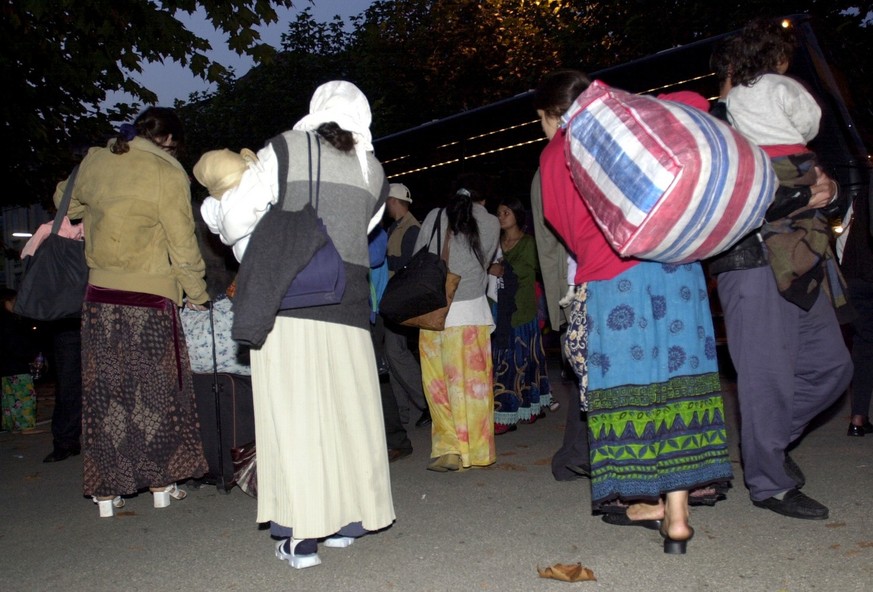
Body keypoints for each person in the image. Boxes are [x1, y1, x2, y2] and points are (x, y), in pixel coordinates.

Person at [535, 69, 733, 554]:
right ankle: (679, 515)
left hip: (614, 283)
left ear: (551, 115)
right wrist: (630, 105)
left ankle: (649, 498)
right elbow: (695, 101)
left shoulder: (556, 150)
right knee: (680, 387)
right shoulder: (634, 129)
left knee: (632, 392)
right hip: (678, 273)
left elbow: (561, 223)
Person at [200, 80, 395, 569]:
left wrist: (213, 211)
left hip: (291, 298)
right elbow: (361, 231)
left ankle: (302, 537)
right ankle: (350, 521)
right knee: (347, 413)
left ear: (317, 109)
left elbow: (238, 218)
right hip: (349, 303)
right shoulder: (374, 170)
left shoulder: (286, 148)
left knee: (296, 415)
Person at [708, 32, 853, 520]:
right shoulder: (714, 124)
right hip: (749, 265)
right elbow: (715, 204)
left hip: (803, 260)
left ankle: (764, 444)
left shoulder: (775, 123)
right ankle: (769, 482)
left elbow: (817, 185)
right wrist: (796, 198)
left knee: (833, 366)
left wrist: (828, 191)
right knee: (766, 379)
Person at [54, 107, 210, 518]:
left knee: (107, 395)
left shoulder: (98, 158)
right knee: (155, 391)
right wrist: (196, 292)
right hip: (150, 296)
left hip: (100, 296)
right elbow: (182, 240)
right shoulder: (168, 171)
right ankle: (161, 481)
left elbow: (63, 203)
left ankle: (106, 490)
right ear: (170, 140)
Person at [415, 182, 499, 472]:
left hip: (436, 312)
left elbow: (419, 256)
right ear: (480, 198)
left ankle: (448, 449)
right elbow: (484, 263)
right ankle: (475, 452)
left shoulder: (435, 216)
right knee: (474, 389)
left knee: (439, 387)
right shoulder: (490, 221)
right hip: (472, 312)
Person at [725, 18, 821, 194]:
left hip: (759, 164)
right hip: (794, 159)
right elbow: (809, 120)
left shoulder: (734, 94)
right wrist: (800, 137)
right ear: (780, 57)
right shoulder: (784, 85)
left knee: (773, 201)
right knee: (806, 200)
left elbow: (736, 130)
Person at [488, 196, 554, 433]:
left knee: (524, 362)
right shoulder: (493, 242)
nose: (501, 216)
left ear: (517, 214)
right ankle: (504, 412)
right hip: (498, 309)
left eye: (506, 211)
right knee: (504, 362)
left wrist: (502, 270)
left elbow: (533, 271)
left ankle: (524, 407)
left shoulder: (528, 244)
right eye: (498, 212)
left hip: (522, 309)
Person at [383, 183, 431, 428]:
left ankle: (426, 403)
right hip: (392, 297)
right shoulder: (397, 227)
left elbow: (407, 265)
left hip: (401, 299)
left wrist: (383, 261)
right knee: (392, 357)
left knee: (396, 353)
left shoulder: (411, 229)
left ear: (394, 201)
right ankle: (401, 414)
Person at [369, 226, 414, 461]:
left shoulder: (374, 231)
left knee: (379, 376)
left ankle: (398, 439)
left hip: (370, 313)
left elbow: (375, 258)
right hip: (354, 311)